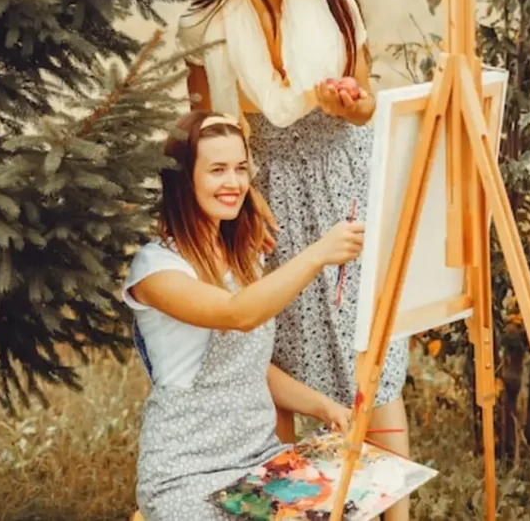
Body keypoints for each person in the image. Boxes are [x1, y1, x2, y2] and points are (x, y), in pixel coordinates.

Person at [176, 0, 412, 519]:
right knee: (277, 359)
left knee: (371, 350)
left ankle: (396, 512)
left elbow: (366, 107)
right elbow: (209, 130)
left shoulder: (339, 10)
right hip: (266, 194)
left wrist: (351, 103)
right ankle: (286, 511)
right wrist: (243, 203)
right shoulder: (208, 26)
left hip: (344, 186)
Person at [124, 110, 365, 521]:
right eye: (217, 170)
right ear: (185, 179)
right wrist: (319, 254)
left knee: (354, 506)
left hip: (260, 461)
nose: (234, 183)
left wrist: (325, 407)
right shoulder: (156, 270)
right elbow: (238, 315)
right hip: (187, 474)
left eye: (240, 169)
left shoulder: (243, 256)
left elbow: (247, 366)